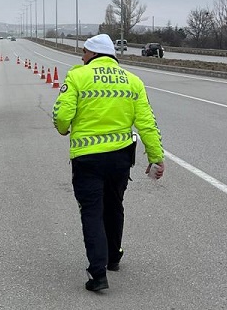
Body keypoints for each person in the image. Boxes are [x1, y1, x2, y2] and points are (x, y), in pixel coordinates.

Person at [52, 33, 164, 294]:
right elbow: (147, 123)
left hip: (87, 158)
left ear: (92, 54)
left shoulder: (78, 76)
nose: (81, 57)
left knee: (91, 211)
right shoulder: (133, 81)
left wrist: (62, 128)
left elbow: (62, 115)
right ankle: (113, 257)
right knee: (114, 206)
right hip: (120, 159)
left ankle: (98, 272)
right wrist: (156, 157)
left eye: (84, 53)